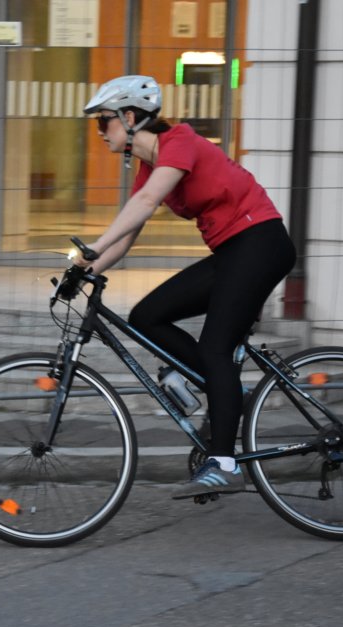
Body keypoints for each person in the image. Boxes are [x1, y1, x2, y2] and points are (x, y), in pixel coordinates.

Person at [73, 74, 297, 500]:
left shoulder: (180, 142)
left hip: (260, 243)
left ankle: (224, 463)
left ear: (130, 117)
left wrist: (92, 247)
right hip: (233, 252)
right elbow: (128, 234)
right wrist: (86, 270)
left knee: (215, 349)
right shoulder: (148, 168)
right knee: (146, 316)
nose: (100, 131)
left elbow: (143, 204)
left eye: (104, 121)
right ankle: (227, 390)